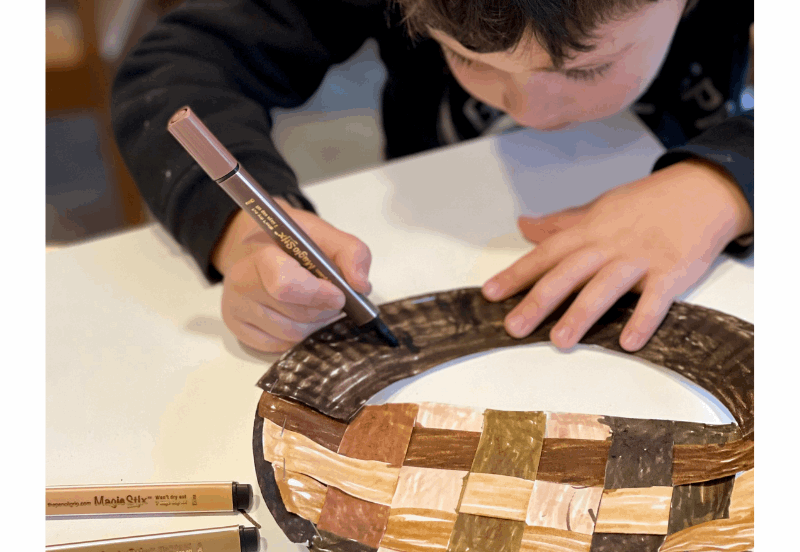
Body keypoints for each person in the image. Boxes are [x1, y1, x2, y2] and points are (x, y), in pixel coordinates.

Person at [111, 0, 753, 353]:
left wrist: (724, 185)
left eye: (586, 69)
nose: (530, 110)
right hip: (439, 237)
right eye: (470, 60)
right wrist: (245, 231)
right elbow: (175, 68)